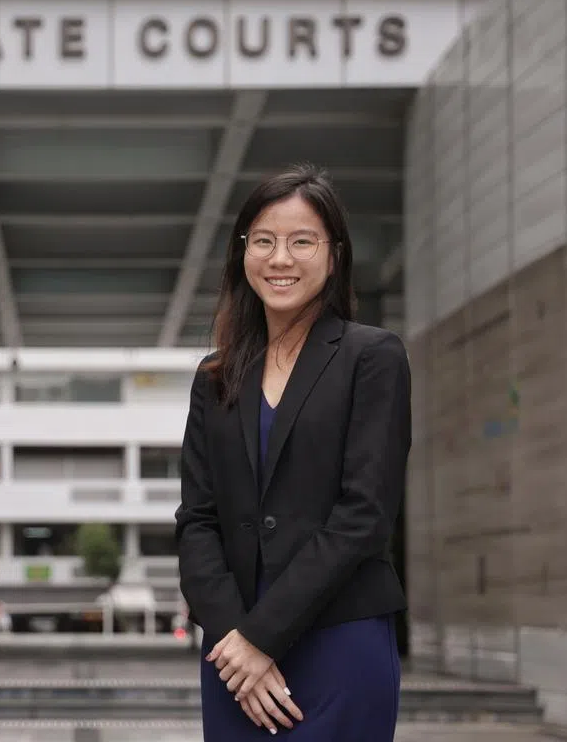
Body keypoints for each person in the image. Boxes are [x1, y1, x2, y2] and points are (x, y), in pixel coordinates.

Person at [175, 163, 411, 740]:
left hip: (339, 640)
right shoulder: (216, 376)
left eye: (301, 241)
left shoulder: (372, 357)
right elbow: (197, 521)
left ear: (334, 253)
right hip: (234, 660)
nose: (280, 258)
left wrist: (263, 637)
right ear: (242, 253)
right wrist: (236, 640)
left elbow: (365, 515)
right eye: (264, 241)